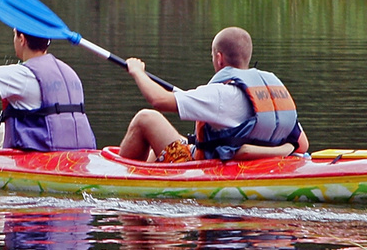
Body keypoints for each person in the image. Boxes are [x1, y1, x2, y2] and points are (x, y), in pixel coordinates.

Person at [118, 26, 309, 163]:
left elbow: (158, 101)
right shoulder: (270, 91)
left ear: (219, 58)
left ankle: (121, 175)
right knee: (161, 146)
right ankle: (149, 168)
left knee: (146, 118)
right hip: (260, 161)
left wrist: (137, 72)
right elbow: (302, 144)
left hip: (201, 165)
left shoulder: (219, 94)